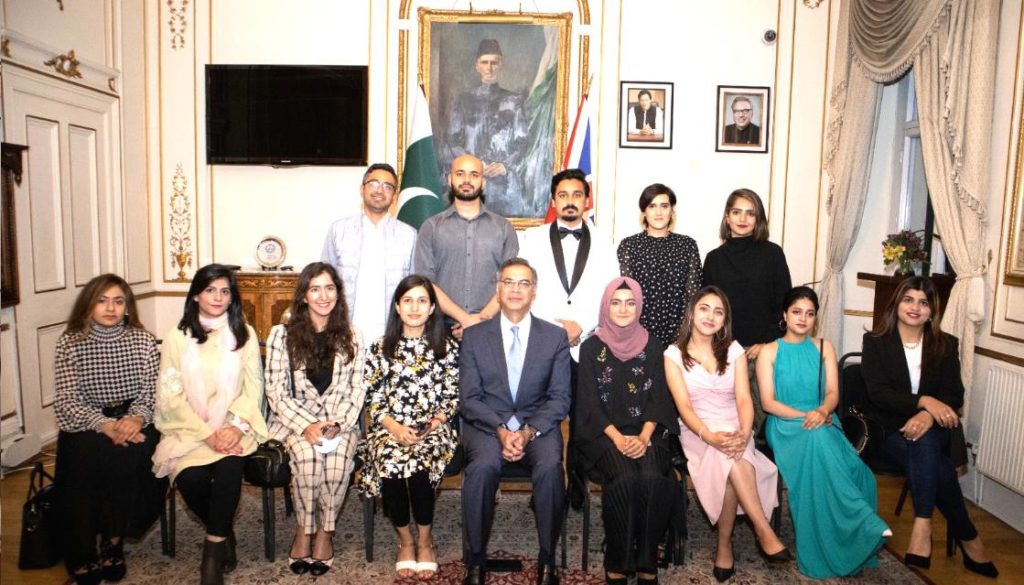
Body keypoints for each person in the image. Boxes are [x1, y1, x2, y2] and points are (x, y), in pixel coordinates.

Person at [862, 276, 998, 578]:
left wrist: (927, 416)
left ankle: (922, 524)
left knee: (925, 444)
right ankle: (967, 535)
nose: (915, 308)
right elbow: (879, 394)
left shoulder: (946, 343)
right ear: (896, 303)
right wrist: (924, 401)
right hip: (889, 432)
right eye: (908, 299)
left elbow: (954, 395)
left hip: (933, 431)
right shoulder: (875, 342)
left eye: (923, 302)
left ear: (932, 310)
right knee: (935, 463)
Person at [756, 286, 890, 578]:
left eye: (810, 313)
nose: (803, 319)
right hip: (785, 423)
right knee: (819, 441)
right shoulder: (769, 351)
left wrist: (823, 411)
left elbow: (832, 393)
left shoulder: (824, 347)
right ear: (785, 314)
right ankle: (861, 519)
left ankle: (849, 542)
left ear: (816, 317)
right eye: (796, 312)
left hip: (824, 419)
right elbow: (769, 403)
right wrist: (810, 415)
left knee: (859, 472)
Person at [664, 285, 789, 583]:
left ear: (725, 320)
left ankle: (725, 544)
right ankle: (762, 529)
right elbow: (683, 407)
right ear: (692, 312)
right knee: (728, 458)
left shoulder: (734, 351)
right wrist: (709, 435)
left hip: (735, 426)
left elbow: (745, 400)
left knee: (732, 458)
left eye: (718, 312)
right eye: (705, 308)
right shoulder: (672, 355)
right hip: (697, 430)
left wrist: (745, 433)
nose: (710, 316)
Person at [152, 264, 268, 585]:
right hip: (189, 429)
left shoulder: (243, 333)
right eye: (210, 290)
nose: (218, 297)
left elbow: (253, 387)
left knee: (230, 473)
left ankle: (211, 559)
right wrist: (207, 434)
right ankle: (224, 532)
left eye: (225, 291)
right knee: (191, 482)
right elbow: (170, 395)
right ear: (196, 295)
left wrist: (233, 426)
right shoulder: (177, 337)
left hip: (234, 428)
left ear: (232, 298)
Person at [459, 258, 571, 585]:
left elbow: (560, 398)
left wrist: (528, 430)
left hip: (537, 425)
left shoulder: (554, 337)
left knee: (551, 468)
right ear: (498, 288)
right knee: (480, 470)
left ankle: (547, 559)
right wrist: (500, 428)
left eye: (524, 283)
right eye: (509, 282)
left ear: (534, 291)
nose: (516, 289)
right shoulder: (475, 336)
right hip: (487, 425)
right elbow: (469, 399)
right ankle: (476, 559)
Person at [53, 274, 160, 585]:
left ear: (127, 307)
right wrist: (104, 424)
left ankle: (113, 543)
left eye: (118, 301)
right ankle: (82, 551)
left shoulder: (142, 340)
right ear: (89, 305)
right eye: (102, 300)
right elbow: (66, 401)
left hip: (135, 418)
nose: (110, 308)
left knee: (129, 458)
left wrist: (136, 418)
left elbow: (152, 392)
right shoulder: (70, 341)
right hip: (88, 420)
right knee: (83, 460)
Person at [575, 277, 681, 585]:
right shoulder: (592, 346)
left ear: (639, 306)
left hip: (648, 432)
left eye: (630, 302)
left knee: (653, 478)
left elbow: (659, 398)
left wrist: (644, 437)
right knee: (625, 478)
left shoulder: (653, 344)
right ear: (606, 306)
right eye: (616, 302)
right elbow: (589, 404)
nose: (623, 309)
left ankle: (647, 558)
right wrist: (619, 438)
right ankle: (618, 561)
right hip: (603, 435)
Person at [263, 262, 366, 577]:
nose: (324, 296)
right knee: (307, 461)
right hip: (296, 422)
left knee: (336, 465)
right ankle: (304, 530)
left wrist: (337, 424)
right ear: (304, 295)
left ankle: (325, 532)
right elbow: (276, 392)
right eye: (315, 288)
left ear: (338, 293)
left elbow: (357, 388)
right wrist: (306, 425)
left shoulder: (352, 335)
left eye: (330, 288)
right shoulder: (282, 335)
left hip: (340, 422)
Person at [359, 274, 459, 580]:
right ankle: (405, 541)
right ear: (397, 308)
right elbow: (373, 397)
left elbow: (453, 396)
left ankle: (426, 540)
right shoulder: (380, 348)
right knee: (390, 464)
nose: (414, 307)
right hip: (389, 428)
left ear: (431, 309)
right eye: (407, 300)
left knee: (417, 466)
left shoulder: (446, 347)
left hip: (434, 429)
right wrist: (393, 427)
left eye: (422, 300)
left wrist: (432, 424)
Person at [702, 188, 791, 433]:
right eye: (737, 212)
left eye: (750, 213)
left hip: (763, 352)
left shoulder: (773, 254)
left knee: (763, 425)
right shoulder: (713, 259)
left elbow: (785, 305)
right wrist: (722, 348)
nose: (743, 219)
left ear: (758, 219)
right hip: (723, 352)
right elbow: (707, 311)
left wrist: (767, 344)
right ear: (727, 217)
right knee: (729, 423)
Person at [415, 153, 519, 339]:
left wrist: (480, 320)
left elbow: (509, 281)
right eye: (460, 173)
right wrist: (465, 319)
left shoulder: (504, 228)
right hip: (440, 329)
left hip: (491, 327)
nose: (467, 180)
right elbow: (426, 281)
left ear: (483, 182)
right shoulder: (430, 227)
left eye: (474, 175)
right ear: (450, 179)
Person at [518, 169, 618, 358]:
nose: (570, 201)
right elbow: (523, 287)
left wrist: (581, 324)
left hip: (589, 344)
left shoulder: (605, 241)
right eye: (563, 195)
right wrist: (557, 330)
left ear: (587, 201)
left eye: (577, 195)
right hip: (542, 342)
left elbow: (611, 292)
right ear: (554, 202)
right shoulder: (531, 238)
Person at [321, 162, 417, 343]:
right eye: (374, 183)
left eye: (387, 186)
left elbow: (414, 288)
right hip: (345, 332)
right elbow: (325, 282)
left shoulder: (409, 235)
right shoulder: (339, 230)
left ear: (394, 195)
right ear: (362, 189)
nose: (380, 190)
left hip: (392, 334)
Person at [442, 39, 529, 217]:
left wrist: (505, 165)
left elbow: (523, 142)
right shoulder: (463, 100)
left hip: (505, 188)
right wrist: (473, 165)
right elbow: (452, 140)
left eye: (494, 63)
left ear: (500, 64)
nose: (489, 68)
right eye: (484, 62)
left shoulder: (514, 101)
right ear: (477, 65)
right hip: (469, 185)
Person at [617, 183, 702, 347]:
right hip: (638, 335)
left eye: (664, 206)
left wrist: (685, 336)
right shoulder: (629, 246)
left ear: (672, 211)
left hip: (679, 337)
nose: (658, 212)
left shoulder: (687, 245)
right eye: (652, 206)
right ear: (644, 212)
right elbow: (626, 295)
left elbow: (694, 294)